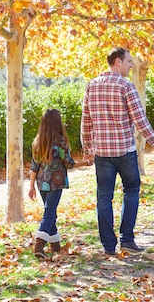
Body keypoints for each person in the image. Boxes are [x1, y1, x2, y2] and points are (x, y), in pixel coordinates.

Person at [81, 47, 154, 256]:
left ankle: (108, 246)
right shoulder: (126, 86)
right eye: (129, 61)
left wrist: (88, 148)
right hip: (125, 151)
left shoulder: (91, 86)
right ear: (117, 62)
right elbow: (140, 120)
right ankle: (127, 240)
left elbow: (86, 121)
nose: (131, 65)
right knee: (131, 190)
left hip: (102, 152)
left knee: (104, 197)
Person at [28, 108, 93, 259]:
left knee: (50, 213)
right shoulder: (60, 141)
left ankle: (55, 245)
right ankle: (39, 245)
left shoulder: (38, 141)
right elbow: (69, 163)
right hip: (55, 183)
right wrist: (86, 162)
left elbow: (34, 166)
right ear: (58, 122)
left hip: (41, 183)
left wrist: (31, 186)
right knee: (49, 213)